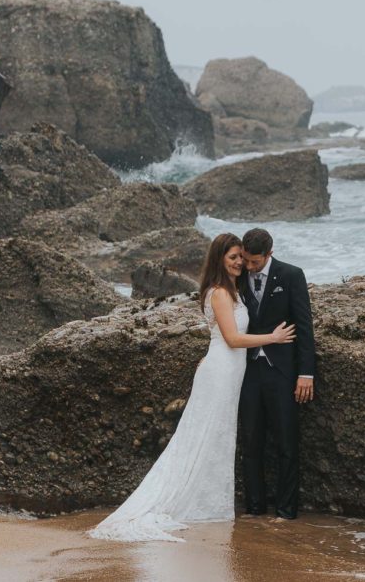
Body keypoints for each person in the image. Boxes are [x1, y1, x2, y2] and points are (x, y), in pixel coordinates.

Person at [88, 233, 295, 542]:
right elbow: (232, 339)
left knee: (218, 437)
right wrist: (273, 339)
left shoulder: (231, 290)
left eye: (241, 257)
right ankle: (191, 500)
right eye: (233, 257)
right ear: (219, 260)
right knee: (207, 435)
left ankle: (210, 501)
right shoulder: (220, 293)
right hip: (222, 372)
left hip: (228, 369)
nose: (240, 262)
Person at [239, 228, 316, 520]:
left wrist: (306, 373)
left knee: (286, 443)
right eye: (246, 260)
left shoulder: (291, 275)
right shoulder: (237, 276)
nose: (248, 267)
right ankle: (255, 508)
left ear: (269, 254)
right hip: (247, 371)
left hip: (282, 372)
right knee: (251, 441)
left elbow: (304, 326)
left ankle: (286, 511)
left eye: (254, 262)